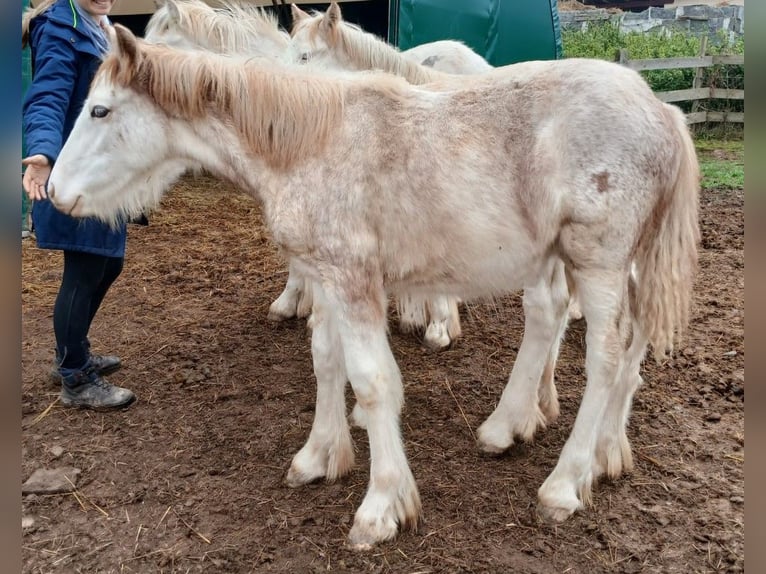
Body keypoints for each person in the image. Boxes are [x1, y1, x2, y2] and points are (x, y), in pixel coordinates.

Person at [22, 0, 135, 410]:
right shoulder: (60, 28)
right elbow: (48, 96)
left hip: (102, 168)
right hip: (76, 167)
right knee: (85, 268)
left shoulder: (101, 26)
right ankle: (74, 375)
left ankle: (73, 351)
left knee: (109, 263)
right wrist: (42, 154)